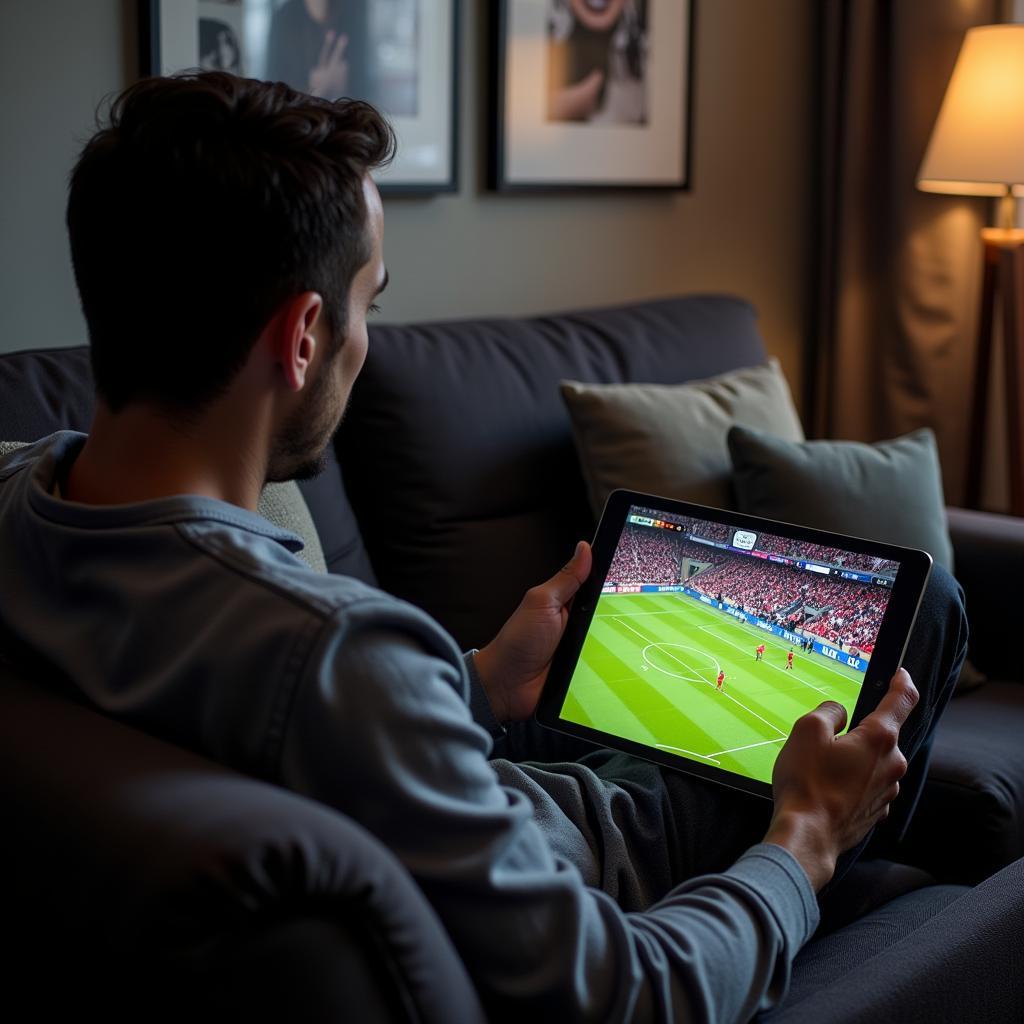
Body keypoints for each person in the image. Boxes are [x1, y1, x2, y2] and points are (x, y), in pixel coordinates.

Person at [0, 73, 968, 1022]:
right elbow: (625, 992)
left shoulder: (19, 501)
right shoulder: (340, 653)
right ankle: (868, 895)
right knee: (924, 612)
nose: (363, 341)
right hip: (595, 872)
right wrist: (801, 838)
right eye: (368, 302)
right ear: (302, 336)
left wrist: (471, 682)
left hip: (482, 795)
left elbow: (314, 727)